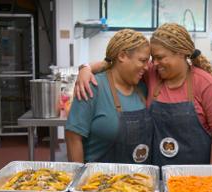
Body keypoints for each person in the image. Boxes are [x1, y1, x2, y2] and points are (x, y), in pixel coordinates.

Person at [76, 23, 212, 166]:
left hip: (197, 178)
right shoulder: (152, 74)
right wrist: (85, 68)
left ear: (181, 53)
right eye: (153, 58)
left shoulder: (206, 84)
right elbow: (115, 64)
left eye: (160, 57)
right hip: (158, 175)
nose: (154, 63)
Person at [65, 29, 152, 164]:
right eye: (142, 60)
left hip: (138, 181)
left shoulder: (142, 87)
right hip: (99, 181)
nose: (147, 67)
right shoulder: (92, 86)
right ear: (122, 56)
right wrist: (78, 177)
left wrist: (86, 66)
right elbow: (73, 138)